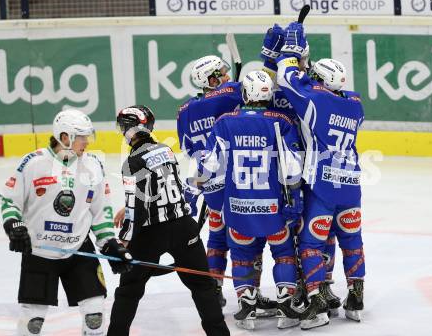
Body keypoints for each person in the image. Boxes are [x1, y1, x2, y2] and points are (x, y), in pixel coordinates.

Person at [0, 109, 132, 336]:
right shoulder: (33, 163)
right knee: (33, 323)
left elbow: (101, 211)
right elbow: (10, 201)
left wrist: (110, 243)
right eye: (81, 137)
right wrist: (14, 225)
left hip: (79, 250)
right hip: (40, 250)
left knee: (95, 316)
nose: (87, 142)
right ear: (64, 137)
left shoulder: (93, 166)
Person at [107, 105, 230, 336]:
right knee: (204, 288)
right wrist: (130, 205)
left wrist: (122, 243)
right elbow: (162, 186)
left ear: (130, 129)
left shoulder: (132, 161)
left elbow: (137, 211)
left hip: (151, 234)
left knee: (128, 290)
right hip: (184, 228)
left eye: (123, 127)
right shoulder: (165, 150)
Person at [275, 22, 366, 329]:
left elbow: (288, 80)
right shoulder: (354, 103)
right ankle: (355, 298)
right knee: (351, 240)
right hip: (351, 185)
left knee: (312, 244)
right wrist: (310, 66)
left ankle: (317, 304)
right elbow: (317, 82)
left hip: (323, 185)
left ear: (322, 83)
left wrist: (290, 52)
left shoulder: (316, 99)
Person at [198, 70, 304, 330]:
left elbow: (211, 165)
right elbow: (292, 168)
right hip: (272, 207)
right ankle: (286, 305)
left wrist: (200, 182)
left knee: (243, 255)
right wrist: (295, 198)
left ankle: (247, 306)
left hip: (237, 208)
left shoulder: (225, 121)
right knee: (283, 253)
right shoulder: (281, 121)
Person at [178, 55, 277, 315]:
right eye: (220, 73)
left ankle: (214, 290)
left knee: (217, 236)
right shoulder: (229, 93)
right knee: (247, 237)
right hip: (236, 182)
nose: (225, 77)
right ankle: (249, 293)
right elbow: (249, 95)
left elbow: (188, 148)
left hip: (209, 182)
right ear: (208, 79)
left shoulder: (185, 111)